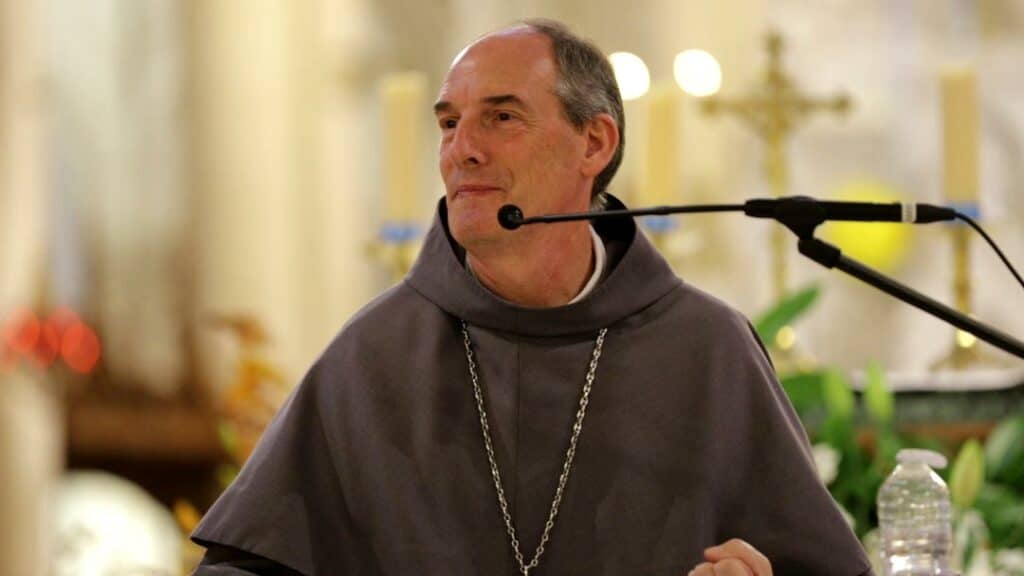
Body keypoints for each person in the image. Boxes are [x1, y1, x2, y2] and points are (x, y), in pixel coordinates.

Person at [192, 19, 875, 576]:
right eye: (450, 122)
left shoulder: (708, 350)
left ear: (594, 142)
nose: (461, 149)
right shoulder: (373, 355)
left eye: (501, 117)